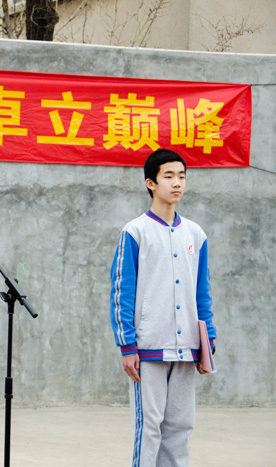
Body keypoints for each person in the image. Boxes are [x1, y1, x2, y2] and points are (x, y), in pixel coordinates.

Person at [109, 148, 217, 467]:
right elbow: (121, 294)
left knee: (180, 429)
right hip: (148, 349)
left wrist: (207, 341)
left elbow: (203, 294)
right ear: (151, 183)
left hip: (186, 349)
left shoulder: (195, 234)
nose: (177, 183)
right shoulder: (135, 231)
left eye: (182, 176)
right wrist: (127, 345)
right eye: (168, 176)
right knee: (149, 429)